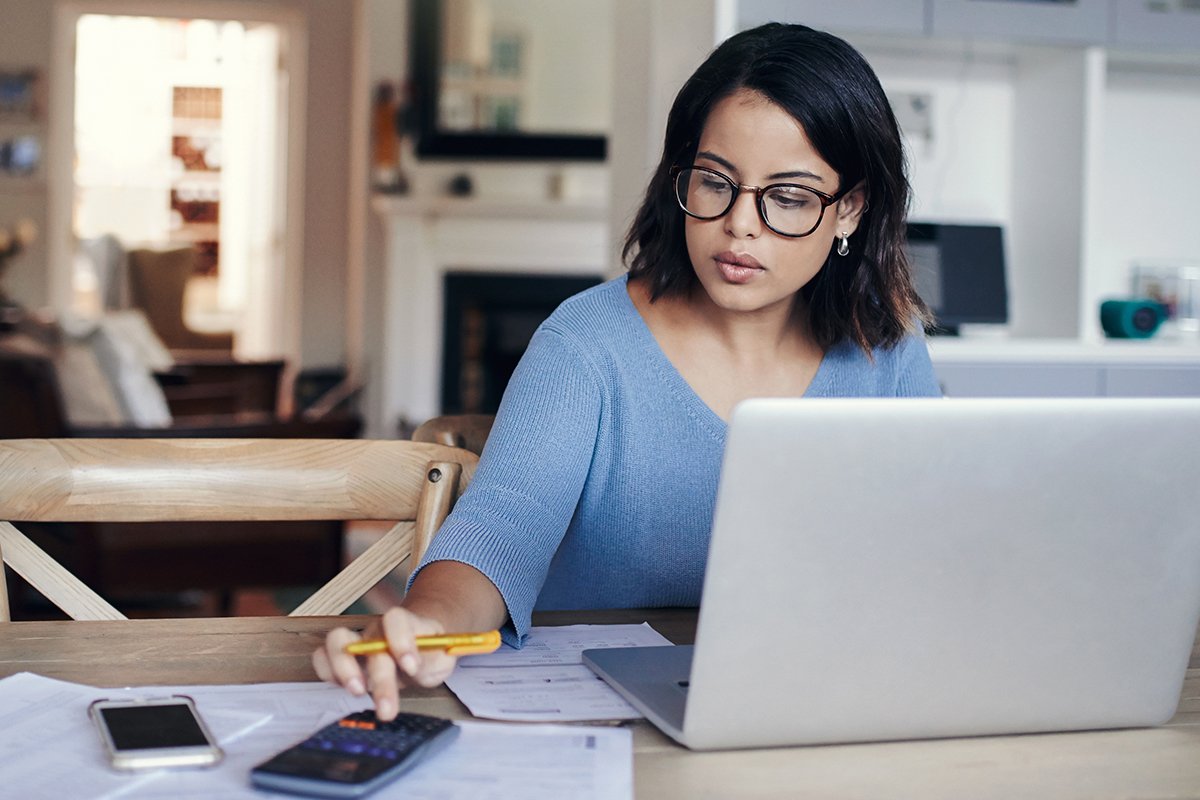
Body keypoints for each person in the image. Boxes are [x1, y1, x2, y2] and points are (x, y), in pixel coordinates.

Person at [314, 22, 942, 720]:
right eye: (715, 183)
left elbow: (928, 551)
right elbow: (500, 529)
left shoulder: (888, 348)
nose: (740, 225)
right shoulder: (584, 345)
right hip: (596, 719)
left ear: (849, 208)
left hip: (810, 707)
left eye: (788, 197)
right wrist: (427, 624)